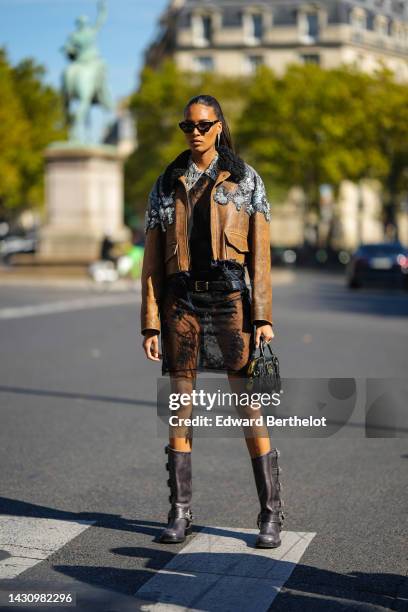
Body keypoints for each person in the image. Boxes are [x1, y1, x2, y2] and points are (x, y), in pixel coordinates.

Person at [140, 95, 284, 548]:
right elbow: (150, 262)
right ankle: (179, 512)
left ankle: (271, 513)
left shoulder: (245, 181)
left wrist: (262, 316)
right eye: (187, 126)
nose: (195, 132)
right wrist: (149, 321)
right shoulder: (166, 182)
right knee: (181, 408)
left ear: (219, 126)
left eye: (203, 125)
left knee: (248, 406)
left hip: (230, 301)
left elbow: (260, 257)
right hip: (181, 302)